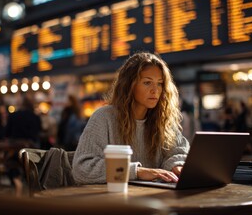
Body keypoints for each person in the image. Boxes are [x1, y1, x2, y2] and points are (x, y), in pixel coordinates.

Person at [72, 52, 190, 184]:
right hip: (113, 200)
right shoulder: (104, 117)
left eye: (160, 83)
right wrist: (136, 172)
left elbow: (179, 152)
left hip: (154, 199)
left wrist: (176, 166)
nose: (155, 90)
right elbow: (81, 169)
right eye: (147, 82)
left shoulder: (162, 119)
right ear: (129, 85)